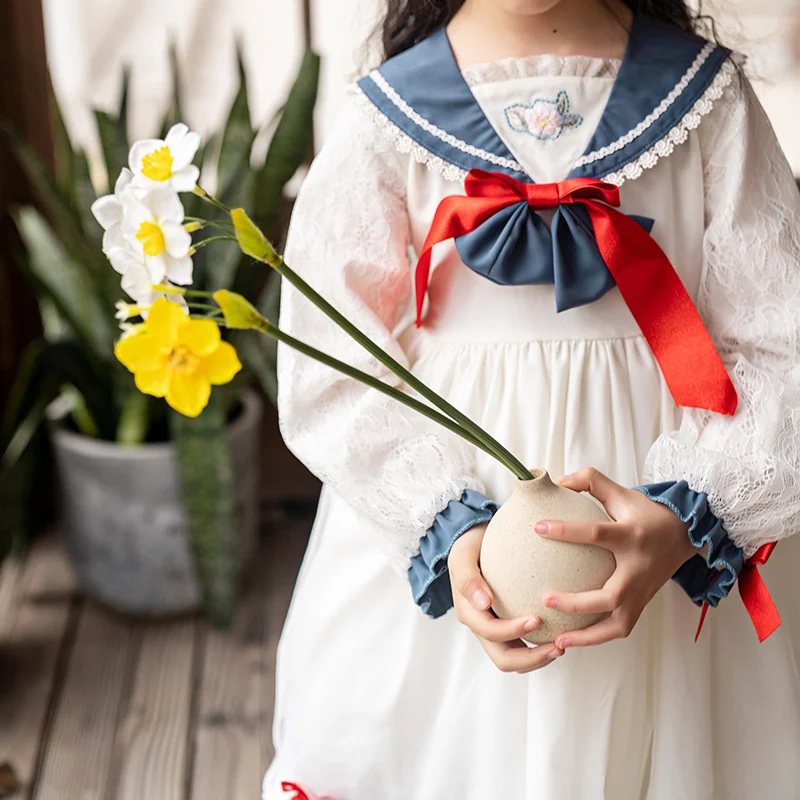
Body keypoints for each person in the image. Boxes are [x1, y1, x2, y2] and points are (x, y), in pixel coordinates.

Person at [263, 1, 800, 798]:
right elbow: (335, 370)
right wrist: (443, 530)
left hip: (663, 553)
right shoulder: (388, 119)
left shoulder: (706, 103)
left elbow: (781, 347)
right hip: (454, 544)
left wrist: (687, 519)